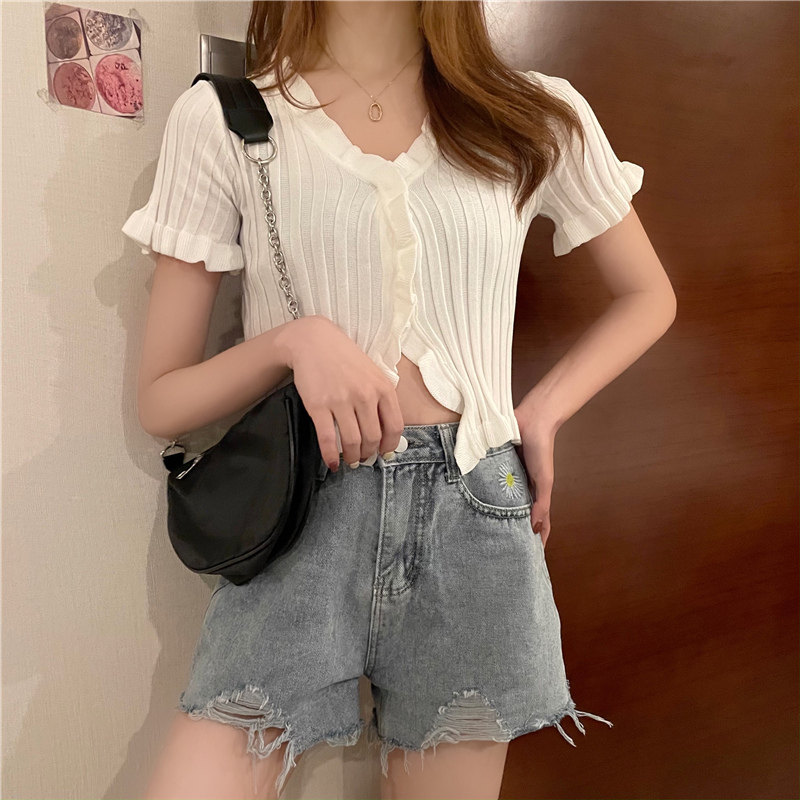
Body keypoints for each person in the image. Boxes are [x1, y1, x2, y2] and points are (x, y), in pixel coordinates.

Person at [121, 2, 676, 798]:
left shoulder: (532, 115)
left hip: (479, 519)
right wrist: (292, 342)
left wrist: (542, 411)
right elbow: (162, 399)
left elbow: (648, 296)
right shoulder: (229, 120)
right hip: (303, 515)